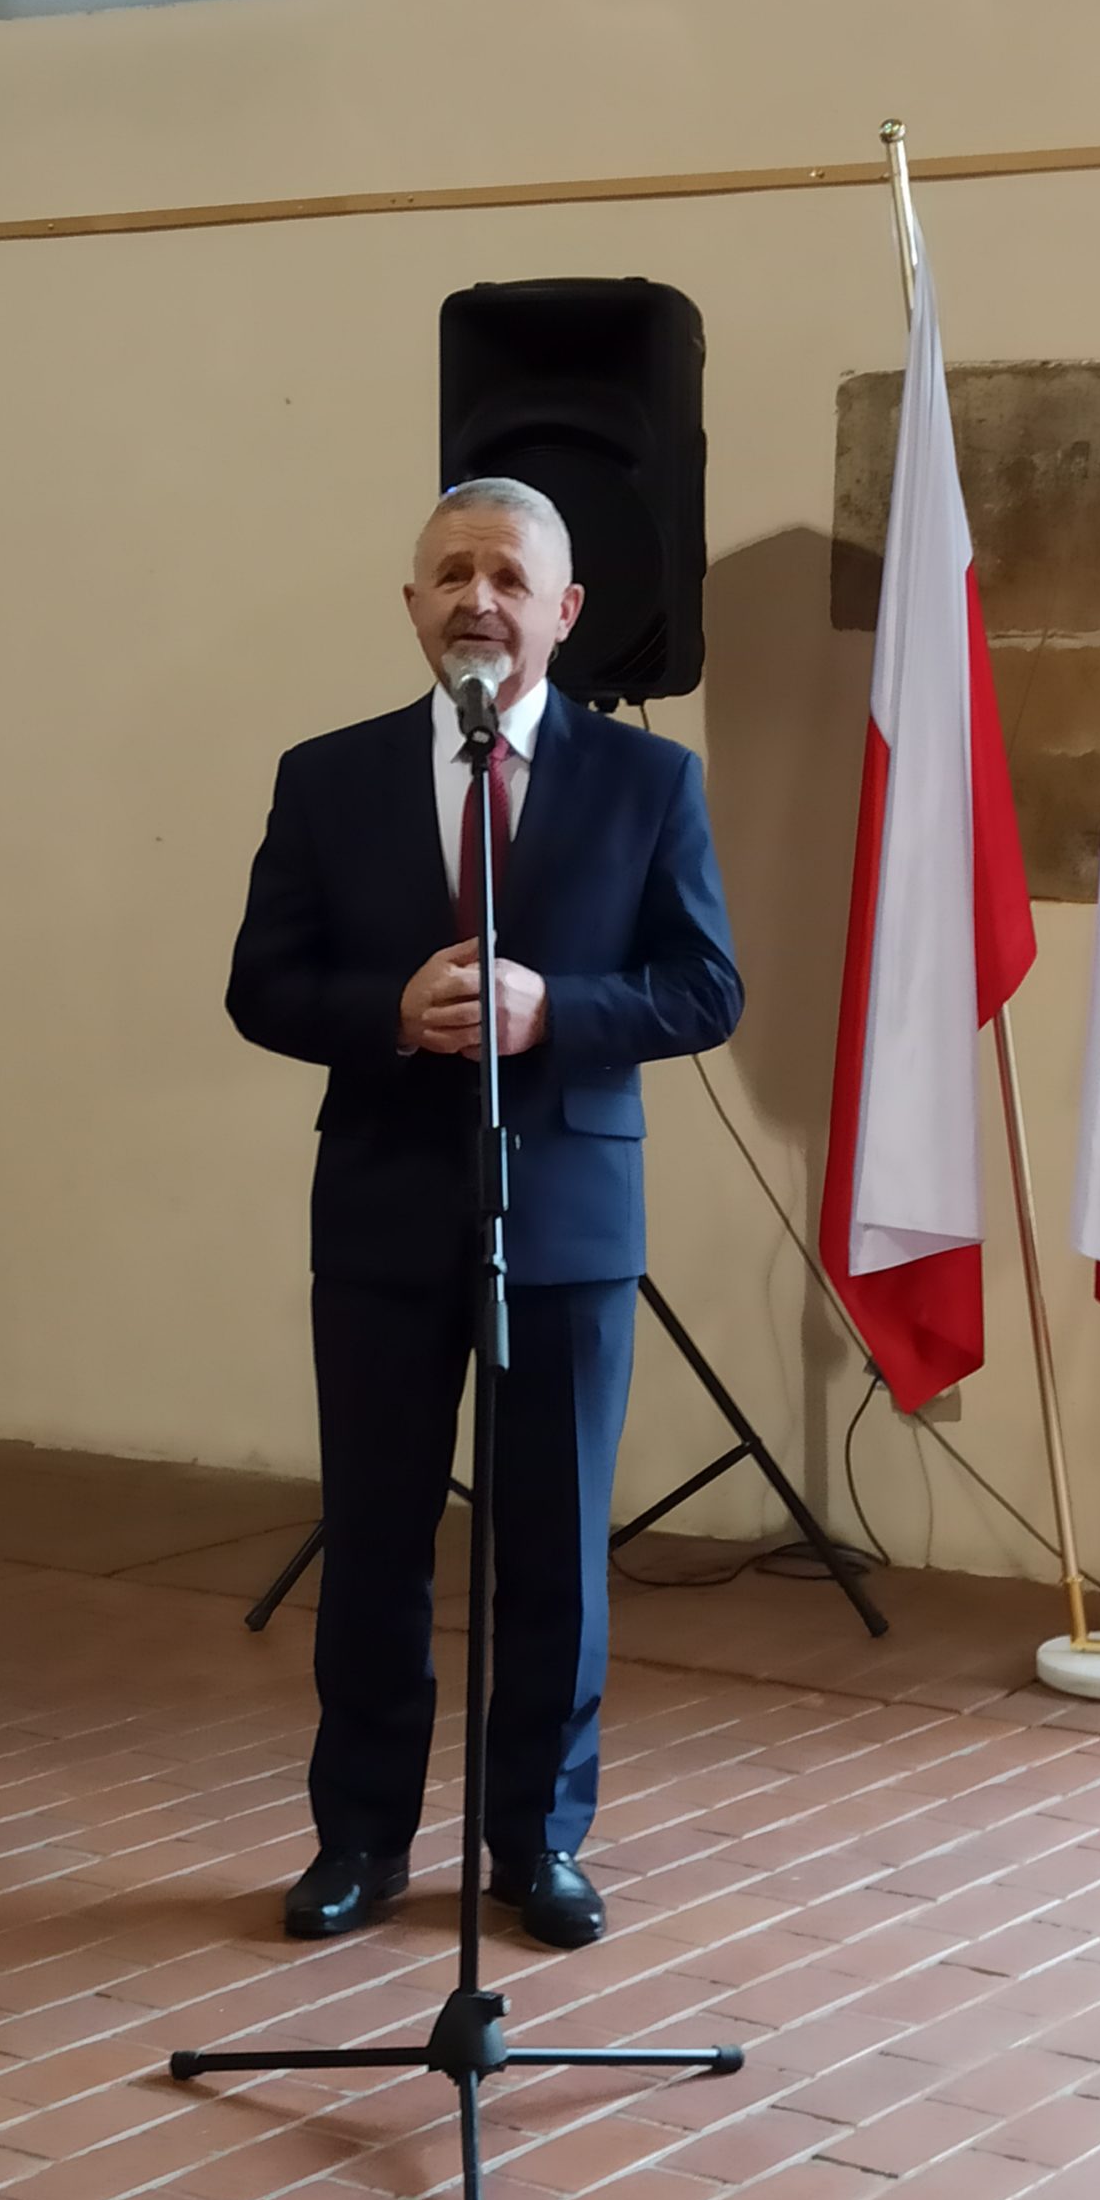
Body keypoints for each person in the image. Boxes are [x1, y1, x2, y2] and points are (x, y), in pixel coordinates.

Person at [226, 479, 743, 1950]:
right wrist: (389, 1012)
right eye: (451, 574)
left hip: (567, 1218)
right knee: (375, 1540)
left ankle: (537, 1842)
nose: (479, 599)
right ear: (411, 606)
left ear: (562, 612)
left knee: (556, 1553)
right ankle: (360, 1839)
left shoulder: (648, 784)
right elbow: (262, 987)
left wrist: (552, 1009)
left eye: (510, 577)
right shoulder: (327, 778)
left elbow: (705, 988)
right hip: (382, 1212)